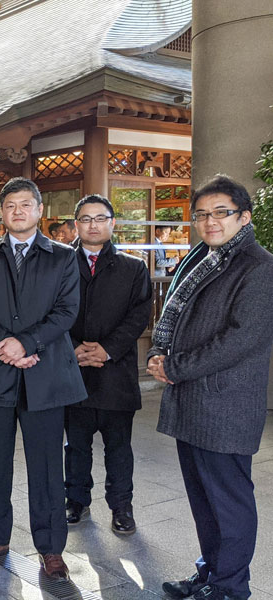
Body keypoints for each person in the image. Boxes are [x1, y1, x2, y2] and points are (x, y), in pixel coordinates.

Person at [148, 175, 273, 600]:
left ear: (244, 217)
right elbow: (175, 315)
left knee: (229, 501)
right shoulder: (203, 257)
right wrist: (160, 354)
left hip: (226, 404)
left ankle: (231, 587)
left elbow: (241, 338)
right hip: (194, 402)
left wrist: (175, 366)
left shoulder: (259, 266)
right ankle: (210, 573)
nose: (210, 221)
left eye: (221, 212)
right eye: (201, 214)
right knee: (204, 500)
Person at [0, 177, 86, 581]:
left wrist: (27, 342)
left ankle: (51, 549)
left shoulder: (63, 257)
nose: (18, 211)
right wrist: (7, 343)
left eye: (25, 205)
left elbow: (67, 311)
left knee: (48, 466)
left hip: (46, 374)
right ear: (3, 212)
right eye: (10, 205)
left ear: (38, 211)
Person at [64, 195, 152, 534]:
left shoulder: (133, 267)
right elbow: (49, 312)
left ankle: (121, 507)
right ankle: (76, 500)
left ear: (112, 223)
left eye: (100, 218)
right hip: (73, 370)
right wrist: (71, 348)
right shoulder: (62, 264)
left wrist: (107, 349)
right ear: (76, 225)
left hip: (116, 372)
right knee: (75, 445)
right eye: (85, 219)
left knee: (119, 447)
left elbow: (139, 315)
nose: (93, 225)